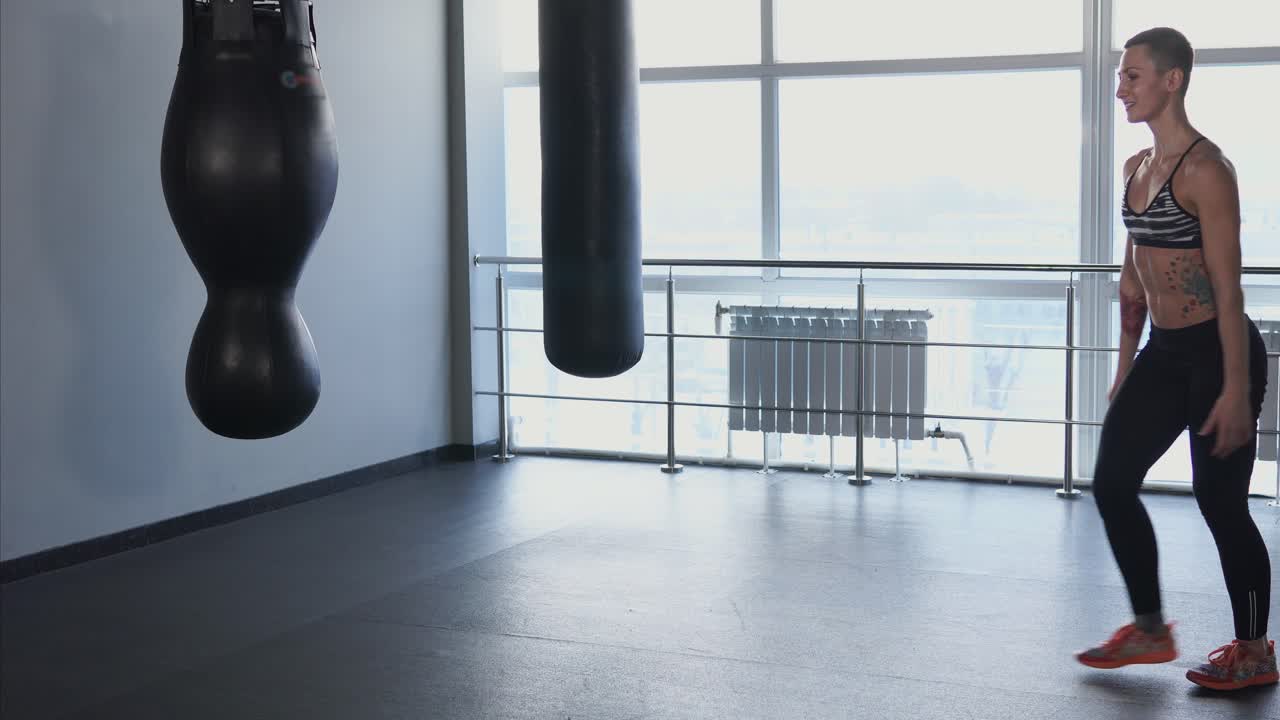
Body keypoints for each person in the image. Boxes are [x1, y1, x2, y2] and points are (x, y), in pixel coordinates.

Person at [1074, 27, 1277, 691]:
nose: (1120, 88)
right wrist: (1125, 365)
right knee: (1110, 481)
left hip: (1221, 352)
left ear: (1172, 81)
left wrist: (1236, 392)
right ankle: (1151, 627)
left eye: (1132, 76)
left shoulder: (1207, 170)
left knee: (1220, 504)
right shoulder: (1136, 168)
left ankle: (1255, 652)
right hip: (1164, 353)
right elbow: (1134, 284)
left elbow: (1228, 285)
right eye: (1120, 75)